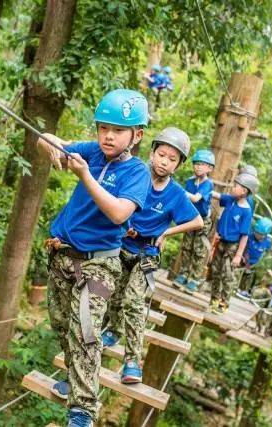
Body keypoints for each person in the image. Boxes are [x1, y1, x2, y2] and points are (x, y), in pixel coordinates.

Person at [38, 89, 151, 427]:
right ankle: (77, 381)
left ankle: (82, 410)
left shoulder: (137, 173)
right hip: (62, 256)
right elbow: (46, 138)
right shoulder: (91, 151)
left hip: (99, 264)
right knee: (62, 324)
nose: (108, 136)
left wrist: (84, 175)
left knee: (86, 331)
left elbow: (118, 213)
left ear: (137, 135)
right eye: (103, 128)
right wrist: (52, 150)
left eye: (117, 130)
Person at [103, 127, 203, 384]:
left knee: (133, 301)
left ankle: (132, 361)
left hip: (147, 253)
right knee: (113, 293)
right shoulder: (135, 176)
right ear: (152, 152)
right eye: (161, 155)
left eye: (172, 159)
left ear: (178, 165)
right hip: (120, 244)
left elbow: (197, 221)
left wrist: (168, 232)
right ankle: (112, 330)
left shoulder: (176, 193)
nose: (164, 162)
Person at [208, 173, 258, 313]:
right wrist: (206, 188)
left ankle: (224, 303)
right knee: (216, 270)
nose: (232, 187)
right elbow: (217, 196)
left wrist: (238, 255)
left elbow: (244, 235)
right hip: (221, 241)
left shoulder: (246, 211)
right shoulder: (231, 200)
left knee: (227, 274)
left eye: (236, 186)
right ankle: (214, 298)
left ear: (244, 191)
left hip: (233, 246)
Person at [174, 149, 215, 294]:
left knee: (198, 250)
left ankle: (194, 279)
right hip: (190, 217)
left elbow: (196, 198)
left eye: (202, 164)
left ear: (209, 168)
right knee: (186, 247)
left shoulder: (208, 184)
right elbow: (185, 201)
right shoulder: (190, 182)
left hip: (203, 220)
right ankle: (183, 274)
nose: (198, 167)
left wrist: (176, 189)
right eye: (196, 164)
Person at [238, 217, 272, 295]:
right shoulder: (250, 236)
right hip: (245, 258)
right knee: (244, 272)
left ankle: (247, 290)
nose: (256, 234)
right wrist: (241, 255)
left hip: (255, 262)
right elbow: (243, 244)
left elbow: (270, 248)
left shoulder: (267, 242)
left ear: (265, 234)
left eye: (259, 234)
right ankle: (239, 288)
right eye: (256, 232)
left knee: (253, 275)